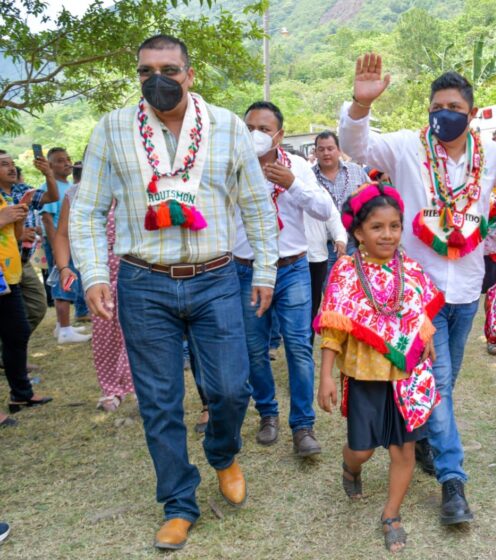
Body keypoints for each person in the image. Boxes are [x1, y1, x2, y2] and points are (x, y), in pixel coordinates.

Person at [69, 34, 279, 551]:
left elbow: (255, 204)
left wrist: (266, 271)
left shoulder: (228, 126)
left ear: (189, 73)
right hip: (144, 283)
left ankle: (223, 451)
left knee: (231, 389)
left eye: (168, 69)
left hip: (214, 278)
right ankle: (179, 502)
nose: (157, 79)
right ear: (137, 75)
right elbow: (88, 210)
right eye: (146, 71)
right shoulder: (113, 128)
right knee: (159, 402)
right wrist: (95, 274)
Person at [338, 53, 496, 525]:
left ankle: (427, 443)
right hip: (416, 296)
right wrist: (360, 104)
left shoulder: (488, 155)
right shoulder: (406, 148)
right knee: (441, 388)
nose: (443, 114)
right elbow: (358, 144)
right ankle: (454, 482)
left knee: (438, 383)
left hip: (467, 289)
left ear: (472, 114)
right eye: (436, 106)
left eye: (453, 106)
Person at [317, 182, 443, 552]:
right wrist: (325, 376)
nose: (387, 234)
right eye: (377, 227)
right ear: (358, 232)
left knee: (402, 450)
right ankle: (350, 467)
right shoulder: (344, 272)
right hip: (364, 376)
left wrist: (428, 337)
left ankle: (391, 514)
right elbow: (333, 326)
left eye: (394, 226)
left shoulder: (412, 268)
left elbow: (421, 312)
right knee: (362, 449)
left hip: (407, 377)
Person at [233, 100, 334, 450]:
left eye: (263, 129)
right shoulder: (233, 167)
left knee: (298, 346)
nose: (256, 135)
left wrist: (293, 184)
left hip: (292, 269)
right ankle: (267, 414)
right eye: (249, 128)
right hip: (246, 270)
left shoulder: (301, 168)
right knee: (255, 348)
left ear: (279, 134)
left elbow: (324, 209)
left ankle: (303, 426)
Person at [52, 174, 134, 412]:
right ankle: (111, 390)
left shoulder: (131, 183)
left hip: (134, 266)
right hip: (97, 272)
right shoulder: (75, 193)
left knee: (140, 328)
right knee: (105, 330)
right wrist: (64, 267)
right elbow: (62, 234)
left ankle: (141, 388)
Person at [1, 182, 53, 414]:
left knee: (18, 331)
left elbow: (15, 235)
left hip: (8, 274)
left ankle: (21, 395)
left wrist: (18, 219)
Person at [0, 150, 58, 346]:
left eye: (11, 163)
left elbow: (52, 197)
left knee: (37, 306)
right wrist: (19, 234)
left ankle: (11, 351)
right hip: (3, 265)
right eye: (4, 164)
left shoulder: (21, 190)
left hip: (22, 261)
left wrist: (48, 173)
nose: (11, 168)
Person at [41, 147, 91, 344]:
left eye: (68, 158)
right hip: (59, 243)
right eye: (60, 161)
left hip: (70, 242)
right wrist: (56, 247)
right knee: (64, 283)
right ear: (50, 166)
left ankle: (63, 325)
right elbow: (47, 219)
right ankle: (64, 330)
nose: (67, 162)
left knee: (70, 281)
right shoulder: (50, 185)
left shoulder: (68, 185)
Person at [312, 130, 369, 273]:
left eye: (330, 148)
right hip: (324, 247)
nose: (326, 153)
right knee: (330, 288)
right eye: (321, 149)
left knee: (358, 284)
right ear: (315, 152)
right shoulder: (309, 177)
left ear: (339, 150)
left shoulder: (356, 171)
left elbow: (372, 199)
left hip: (354, 242)